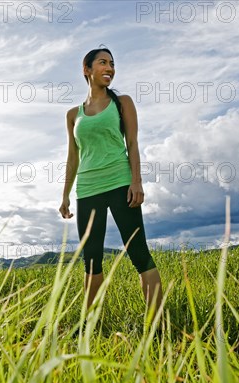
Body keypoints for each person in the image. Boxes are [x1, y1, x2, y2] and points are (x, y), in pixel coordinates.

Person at [59, 47, 164, 321]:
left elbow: (133, 143)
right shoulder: (73, 114)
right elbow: (73, 157)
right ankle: (90, 323)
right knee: (91, 260)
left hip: (120, 183)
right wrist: (65, 195)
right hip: (88, 188)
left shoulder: (123, 102)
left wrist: (137, 181)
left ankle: (157, 324)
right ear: (87, 69)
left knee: (139, 254)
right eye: (103, 63)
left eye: (112, 64)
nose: (110, 68)